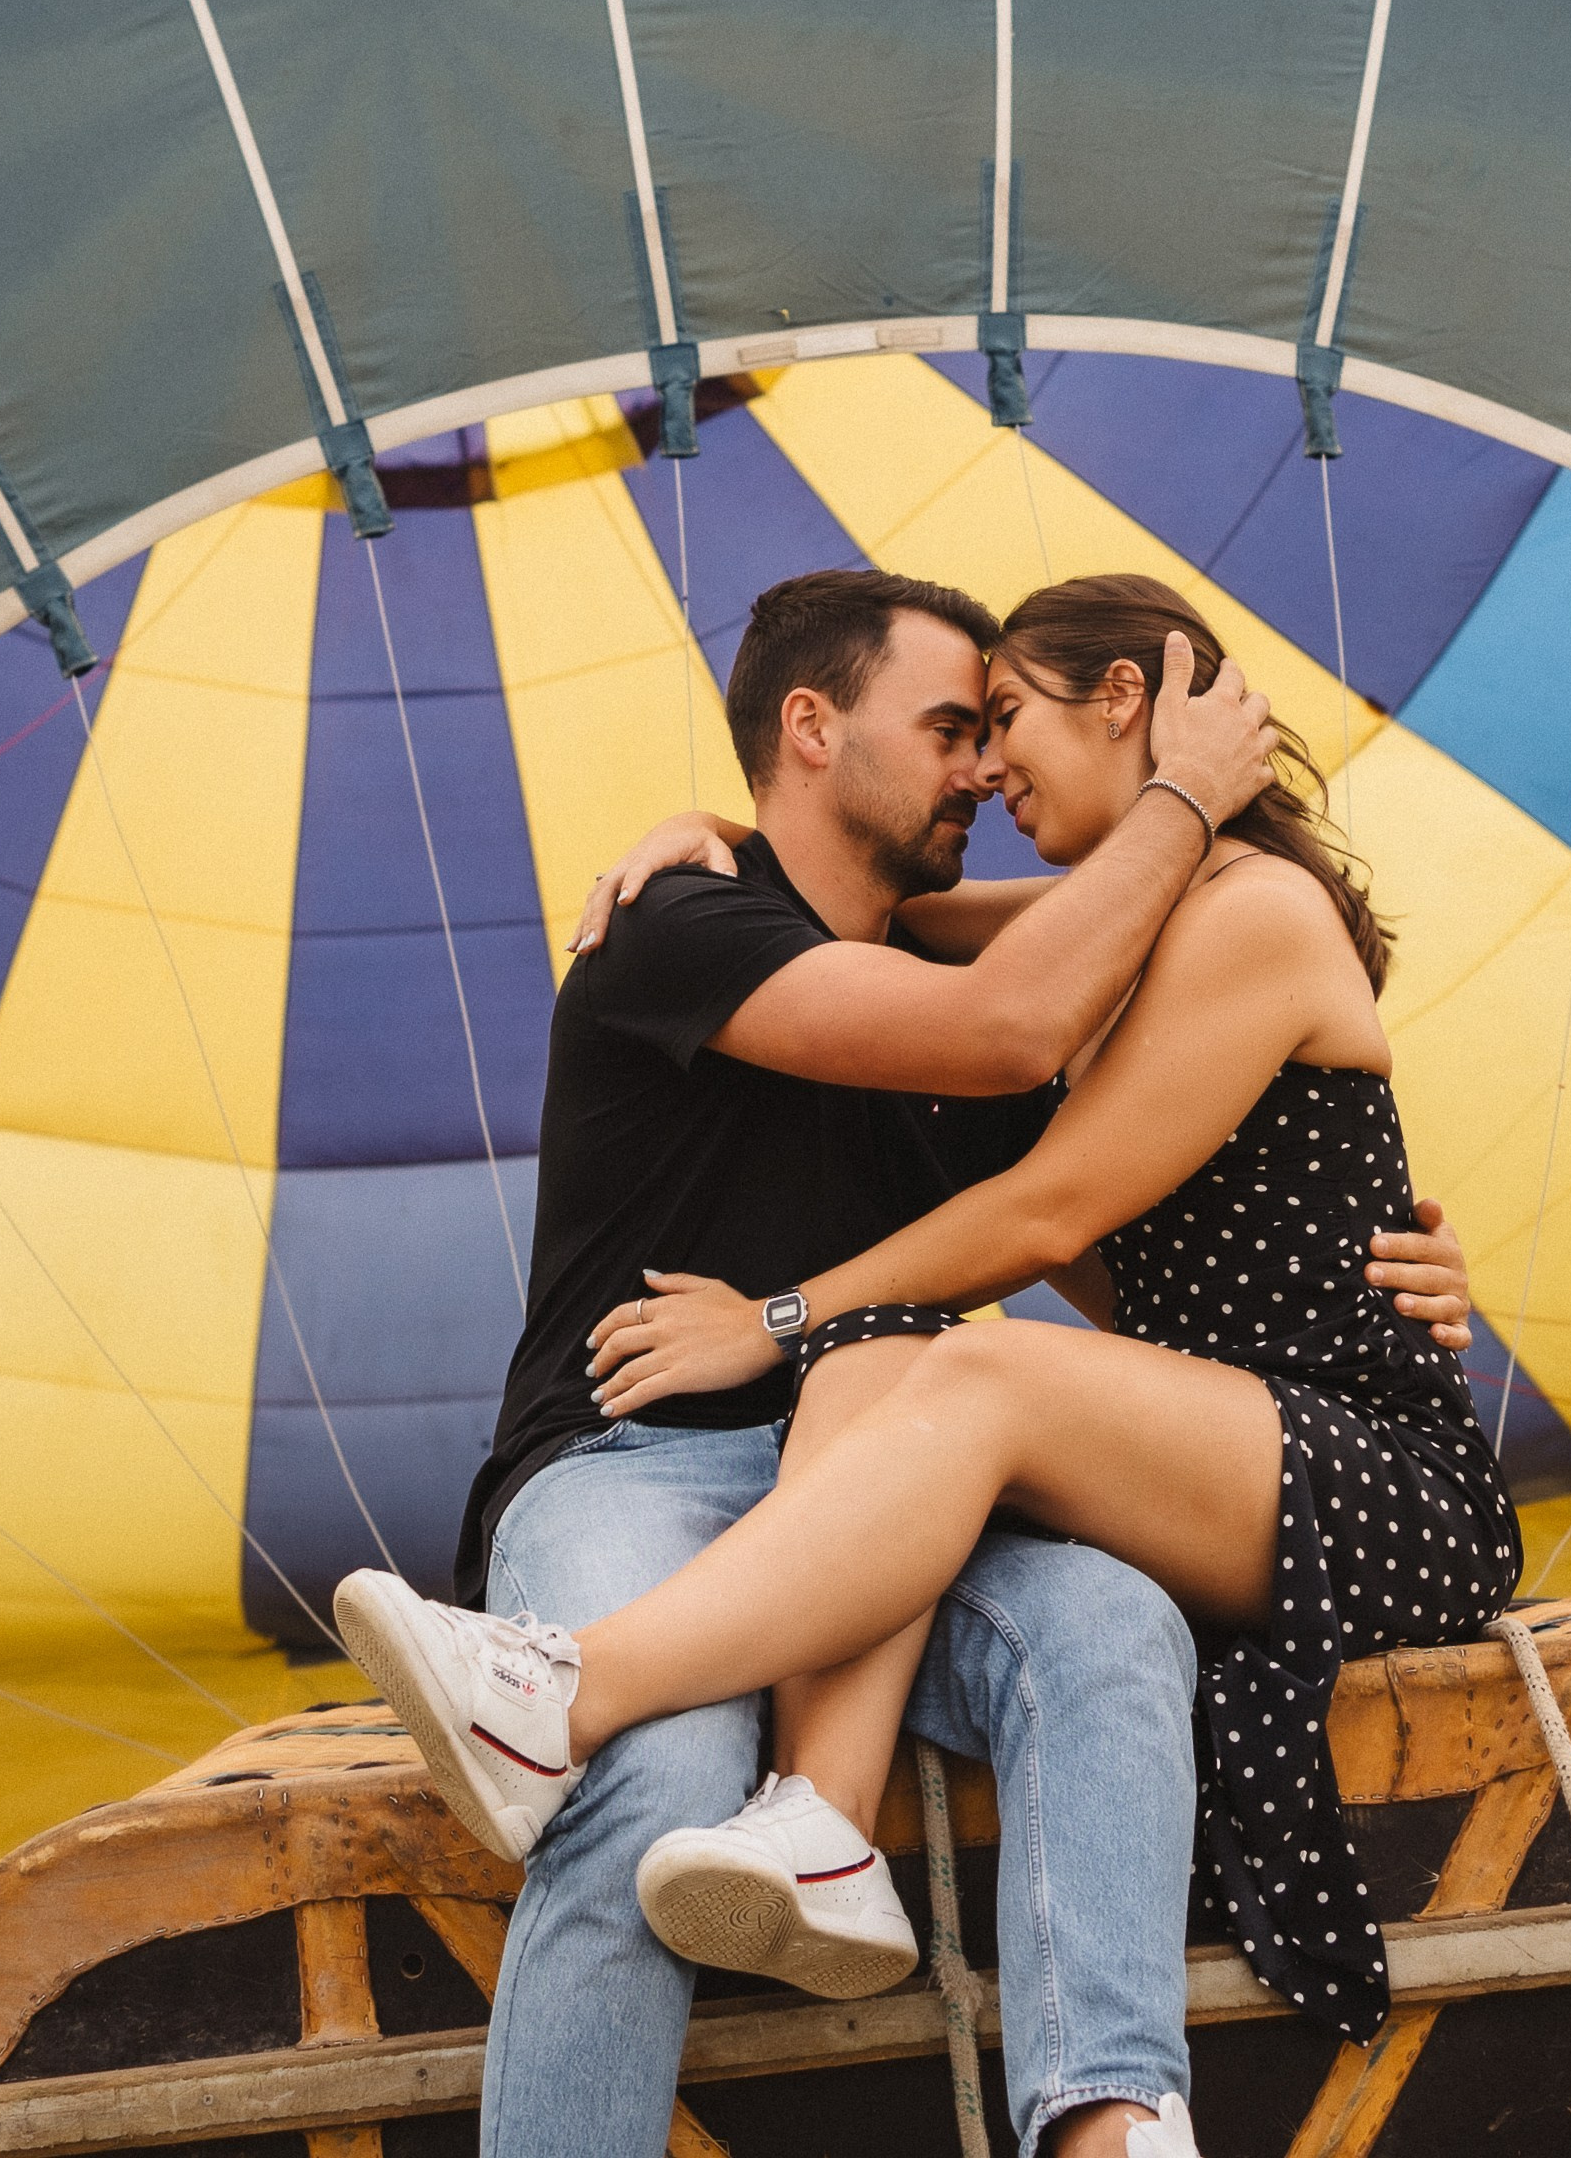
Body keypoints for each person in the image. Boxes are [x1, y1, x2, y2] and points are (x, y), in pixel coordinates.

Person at [340, 574, 1507, 2153]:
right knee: (663, 1767)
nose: (979, 769)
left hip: (892, 1470)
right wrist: (1175, 792)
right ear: (810, 728)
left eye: (995, 727)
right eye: (953, 727)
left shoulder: (1005, 997)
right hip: (638, 1459)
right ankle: (584, 1733)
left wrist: (1389, 1282)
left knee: (1107, 1628)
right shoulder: (686, 920)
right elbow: (1015, 1029)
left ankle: (1109, 2121)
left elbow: (1101, 1183)